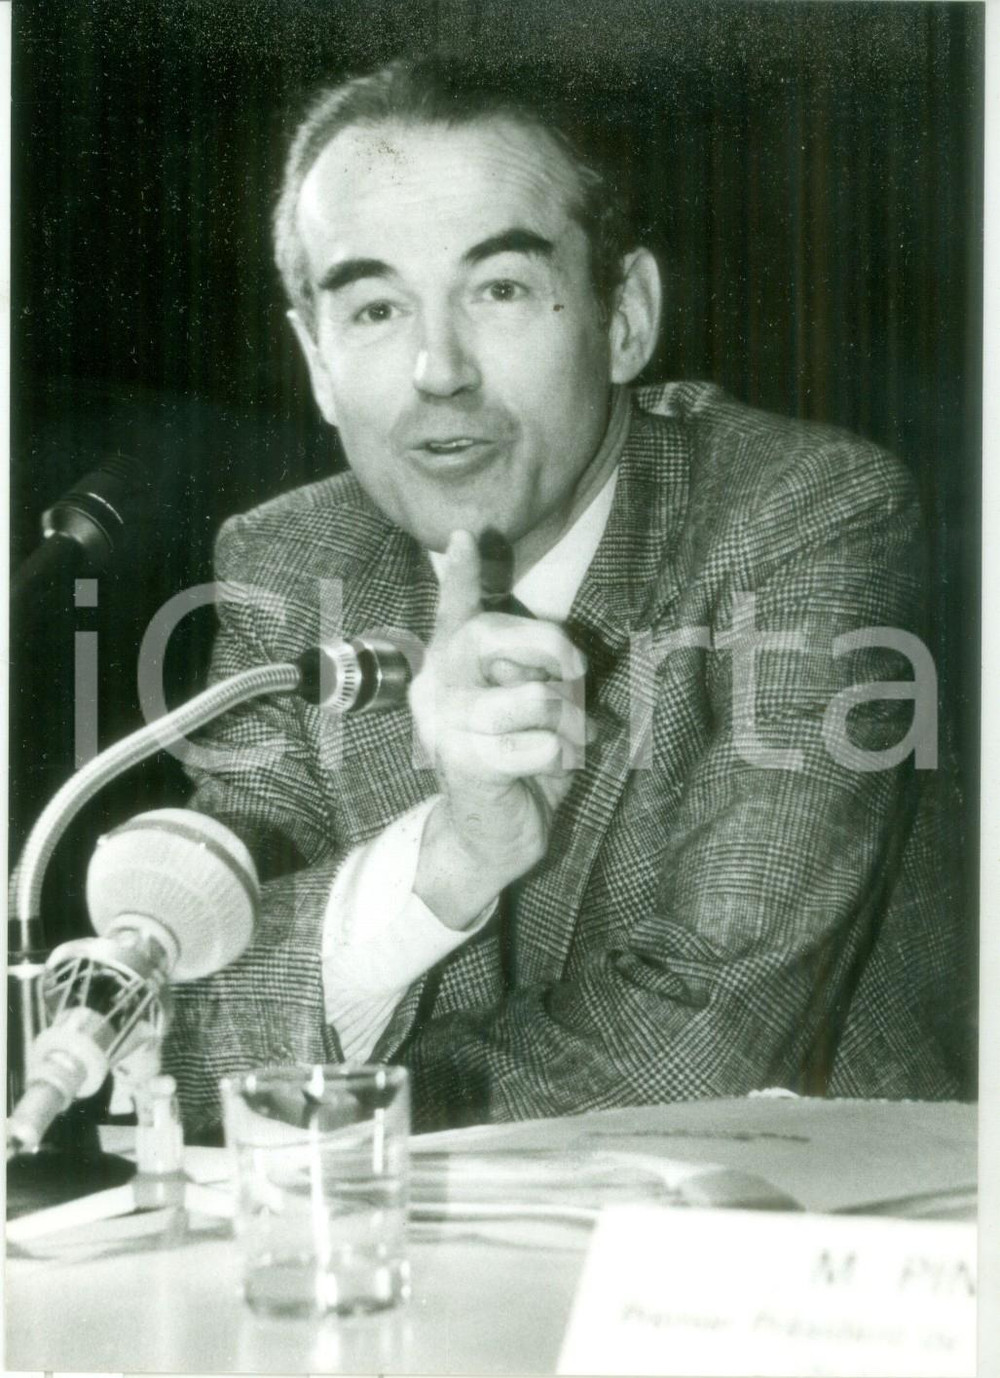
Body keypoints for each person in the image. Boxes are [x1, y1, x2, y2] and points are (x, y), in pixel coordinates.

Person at [163, 54, 971, 1138]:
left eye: (498, 290)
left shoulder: (806, 516)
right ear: (315, 359)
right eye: (372, 310)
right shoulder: (286, 564)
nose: (437, 369)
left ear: (624, 315)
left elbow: (704, 1047)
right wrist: (450, 854)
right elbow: (190, 1024)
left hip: (793, 1261)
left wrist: (331, 1108)